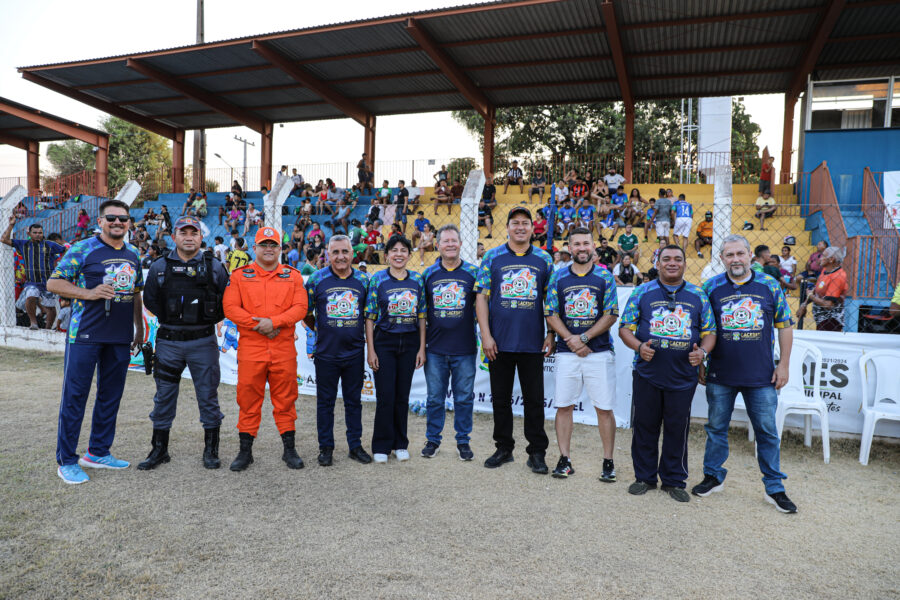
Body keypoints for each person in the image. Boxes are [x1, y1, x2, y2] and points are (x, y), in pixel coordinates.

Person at [695, 234, 797, 513]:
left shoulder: (769, 285)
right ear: (722, 259)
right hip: (721, 374)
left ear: (750, 255)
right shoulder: (711, 287)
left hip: (761, 376)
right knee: (716, 428)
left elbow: (785, 326)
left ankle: (774, 487)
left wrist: (784, 364)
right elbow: (703, 329)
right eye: (729, 255)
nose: (735, 259)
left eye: (740, 254)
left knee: (767, 431)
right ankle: (713, 477)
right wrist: (702, 363)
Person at [46, 199, 144, 484]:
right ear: (100, 221)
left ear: (129, 223)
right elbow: (54, 283)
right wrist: (89, 293)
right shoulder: (82, 249)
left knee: (110, 396)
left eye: (123, 219)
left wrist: (138, 328)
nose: (117, 223)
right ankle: (66, 460)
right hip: (85, 335)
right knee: (75, 397)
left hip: (120, 337)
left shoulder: (134, 253)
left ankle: (98, 452)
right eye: (111, 218)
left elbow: (136, 292)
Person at [619, 245, 716, 502]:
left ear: (685, 264)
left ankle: (674, 480)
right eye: (666, 259)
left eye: (677, 259)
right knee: (644, 425)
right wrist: (639, 346)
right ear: (658, 263)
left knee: (677, 428)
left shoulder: (699, 295)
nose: (672, 263)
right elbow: (624, 328)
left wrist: (702, 354)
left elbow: (710, 333)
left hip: (683, 376)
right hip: (647, 373)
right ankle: (644, 477)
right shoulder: (642, 292)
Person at [138, 216, 228, 471]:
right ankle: (159, 449)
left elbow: (225, 301)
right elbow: (151, 301)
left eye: (194, 232)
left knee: (208, 396)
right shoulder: (159, 266)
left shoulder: (215, 267)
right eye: (183, 232)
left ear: (201, 237)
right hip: (169, 341)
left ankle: (211, 450)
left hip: (203, 341)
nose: (189, 236)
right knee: (164, 396)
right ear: (174, 236)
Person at [223, 226, 309, 471]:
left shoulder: (292, 276)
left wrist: (275, 323)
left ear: (280, 249)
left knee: (286, 400)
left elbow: (300, 308)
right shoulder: (240, 276)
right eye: (264, 245)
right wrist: (261, 325)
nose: (269, 249)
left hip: (283, 349)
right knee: (248, 400)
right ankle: (245, 452)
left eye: (273, 245)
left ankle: (289, 450)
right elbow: (230, 308)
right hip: (252, 348)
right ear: (255, 248)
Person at [475, 207, 554, 473]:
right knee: (501, 399)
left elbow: (550, 301)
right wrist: (486, 335)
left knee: (534, 400)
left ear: (533, 228)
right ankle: (504, 447)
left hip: (532, 343)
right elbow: (481, 298)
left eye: (525, 223)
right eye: (515, 223)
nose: (520, 227)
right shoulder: (492, 257)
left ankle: (537, 452)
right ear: (507, 227)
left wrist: (551, 333)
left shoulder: (544, 259)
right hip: (499, 342)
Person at [544, 227, 619, 481]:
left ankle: (608, 462)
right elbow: (551, 313)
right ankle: (564, 459)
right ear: (569, 247)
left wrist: (584, 338)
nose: (582, 248)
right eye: (576, 244)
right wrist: (571, 340)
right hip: (567, 353)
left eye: (586, 243)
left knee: (604, 408)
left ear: (593, 246)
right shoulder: (558, 277)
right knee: (564, 406)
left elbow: (611, 314)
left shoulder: (604, 277)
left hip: (598, 353)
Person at [304, 235, 373, 467]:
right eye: (335, 252)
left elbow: (369, 316)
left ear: (353, 254)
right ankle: (326, 448)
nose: (341, 257)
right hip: (326, 354)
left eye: (345, 251)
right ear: (327, 254)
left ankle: (355, 446)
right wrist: (323, 330)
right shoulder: (316, 279)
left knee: (354, 402)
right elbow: (306, 313)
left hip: (354, 353)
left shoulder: (365, 280)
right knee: (325, 403)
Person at [365, 235, 426, 463]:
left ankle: (401, 443)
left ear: (409, 255)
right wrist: (371, 350)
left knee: (402, 396)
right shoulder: (378, 279)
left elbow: (422, 316)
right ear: (387, 255)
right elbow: (370, 317)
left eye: (403, 250)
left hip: (409, 343)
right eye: (394, 250)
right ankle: (381, 445)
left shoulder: (417, 280)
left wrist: (421, 348)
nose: (399, 254)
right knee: (385, 396)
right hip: (384, 343)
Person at [421, 225, 480, 461]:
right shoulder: (428, 275)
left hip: (465, 349)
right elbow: (421, 314)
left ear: (461, 243)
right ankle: (433, 440)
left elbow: (483, 309)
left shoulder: (473, 274)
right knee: (434, 398)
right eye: (445, 241)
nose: (450, 245)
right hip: (435, 349)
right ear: (438, 245)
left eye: (454, 240)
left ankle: (463, 441)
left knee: (464, 398)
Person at [2, 217, 66, 330]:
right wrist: (11, 225)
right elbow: (4, 239)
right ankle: (33, 323)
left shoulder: (50, 245)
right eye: (35, 233)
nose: (38, 235)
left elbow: (65, 249)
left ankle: (47, 328)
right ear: (29, 233)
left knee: (50, 308)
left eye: (40, 233)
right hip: (32, 281)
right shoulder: (23, 244)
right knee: (30, 296)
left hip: (48, 282)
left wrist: (61, 264)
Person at [797, 246, 848, 331]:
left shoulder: (838, 277)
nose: (820, 259)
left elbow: (828, 304)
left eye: (823, 256)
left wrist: (811, 296)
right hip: (821, 319)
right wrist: (804, 304)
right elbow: (816, 289)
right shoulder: (825, 271)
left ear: (831, 259)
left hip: (830, 321)